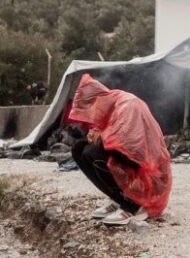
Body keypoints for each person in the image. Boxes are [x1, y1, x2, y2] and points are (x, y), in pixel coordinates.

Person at [69, 74, 172, 225]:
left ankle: (132, 205)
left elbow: (132, 152)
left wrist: (100, 139)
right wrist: (97, 136)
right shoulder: (112, 106)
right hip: (136, 165)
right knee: (78, 148)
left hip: (149, 175)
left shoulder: (128, 106)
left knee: (91, 153)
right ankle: (117, 198)